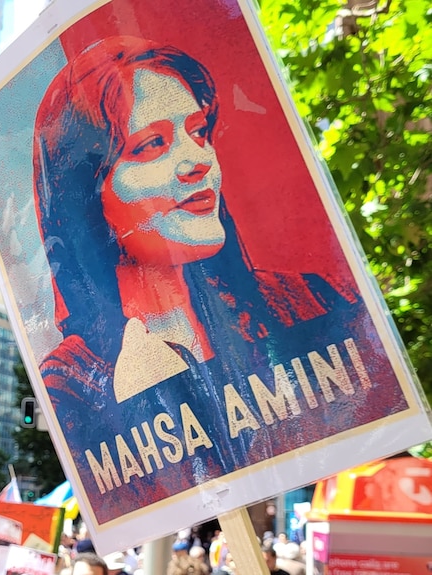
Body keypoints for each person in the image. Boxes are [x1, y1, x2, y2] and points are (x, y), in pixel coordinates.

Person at [33, 35, 406, 521]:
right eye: (151, 145)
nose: (199, 160)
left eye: (199, 131)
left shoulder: (316, 301)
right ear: (85, 197)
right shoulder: (70, 384)